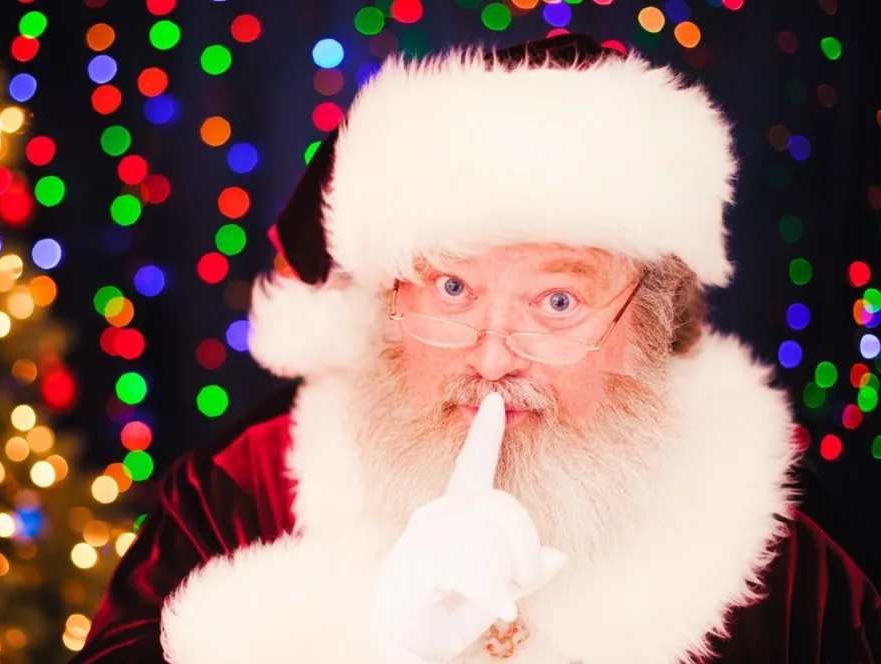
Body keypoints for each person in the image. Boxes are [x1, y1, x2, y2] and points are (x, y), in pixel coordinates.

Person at [72, 34, 880, 663]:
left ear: (655, 321)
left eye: (556, 301)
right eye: (452, 290)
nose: (493, 360)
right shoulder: (243, 491)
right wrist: (370, 639)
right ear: (389, 300)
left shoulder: (795, 565)